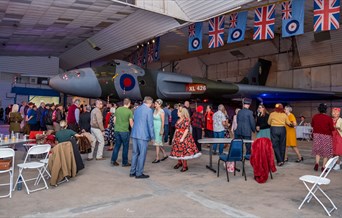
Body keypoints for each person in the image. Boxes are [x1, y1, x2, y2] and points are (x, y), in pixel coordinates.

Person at [169, 105, 201, 172]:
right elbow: (177, 129)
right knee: (178, 150)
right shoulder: (178, 119)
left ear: (182, 113)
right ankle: (179, 162)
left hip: (184, 137)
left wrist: (182, 138)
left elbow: (186, 130)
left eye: (178, 112)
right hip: (178, 136)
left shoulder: (186, 120)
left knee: (184, 151)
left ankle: (185, 166)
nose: (177, 113)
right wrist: (174, 137)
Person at [130, 96, 155, 179]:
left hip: (135, 133)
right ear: (150, 103)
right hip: (143, 135)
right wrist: (152, 136)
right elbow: (150, 124)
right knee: (142, 154)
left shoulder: (137, 109)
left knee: (135, 153)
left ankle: (132, 171)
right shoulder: (149, 110)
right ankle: (139, 173)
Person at [111, 98, 134, 167]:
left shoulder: (118, 109)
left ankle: (113, 160)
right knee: (125, 147)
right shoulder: (129, 111)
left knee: (117, 146)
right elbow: (131, 124)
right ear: (129, 104)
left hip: (117, 130)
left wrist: (118, 126)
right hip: (124, 131)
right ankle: (124, 162)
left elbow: (114, 121)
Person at [312, 103, 334, 171]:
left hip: (317, 135)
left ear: (319, 109)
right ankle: (323, 167)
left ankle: (317, 163)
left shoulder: (315, 116)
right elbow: (331, 128)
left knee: (318, 150)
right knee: (326, 151)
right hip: (326, 136)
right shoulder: (328, 118)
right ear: (326, 109)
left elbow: (312, 125)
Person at [152, 99, 168, 163]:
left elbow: (163, 122)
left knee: (157, 144)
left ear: (160, 104)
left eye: (156, 104)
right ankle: (164, 154)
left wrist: (161, 130)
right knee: (158, 142)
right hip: (154, 128)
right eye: (155, 104)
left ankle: (157, 158)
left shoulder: (162, 111)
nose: (155, 105)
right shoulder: (155, 110)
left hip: (159, 128)